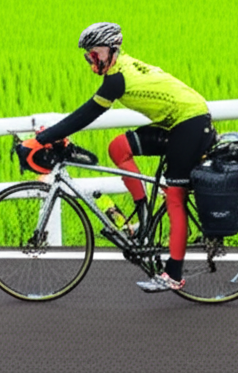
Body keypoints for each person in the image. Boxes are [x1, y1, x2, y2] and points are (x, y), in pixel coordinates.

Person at [31, 22, 216, 292]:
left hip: (190, 123)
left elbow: (85, 115)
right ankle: (142, 216)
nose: (92, 61)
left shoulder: (118, 79)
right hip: (175, 122)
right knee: (119, 147)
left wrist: (40, 139)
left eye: (95, 54)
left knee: (175, 195)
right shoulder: (119, 68)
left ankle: (173, 274)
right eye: (88, 56)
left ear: (112, 50)